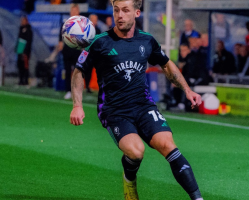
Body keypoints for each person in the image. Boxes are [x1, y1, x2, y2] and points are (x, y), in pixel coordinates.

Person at [70, 1, 203, 200]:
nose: (119, 15)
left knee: (169, 146)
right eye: (116, 10)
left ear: (137, 12)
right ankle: (129, 179)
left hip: (143, 106)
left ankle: (198, 199)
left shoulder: (147, 40)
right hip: (115, 111)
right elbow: (79, 72)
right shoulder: (99, 42)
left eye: (125, 10)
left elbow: (167, 65)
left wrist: (187, 90)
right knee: (136, 151)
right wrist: (77, 105)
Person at [59, 4, 82, 99]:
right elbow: (60, 35)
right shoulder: (66, 24)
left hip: (77, 50)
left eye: (75, 11)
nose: (73, 13)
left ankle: (77, 91)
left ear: (78, 12)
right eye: (72, 11)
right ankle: (68, 90)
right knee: (68, 71)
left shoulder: (82, 24)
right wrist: (60, 42)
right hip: (67, 50)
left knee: (77, 73)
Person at [16, 15, 33, 85]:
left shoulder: (29, 30)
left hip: (25, 51)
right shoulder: (21, 29)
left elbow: (29, 41)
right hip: (20, 49)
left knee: (25, 66)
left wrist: (25, 51)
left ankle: (26, 80)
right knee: (20, 65)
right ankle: (21, 80)